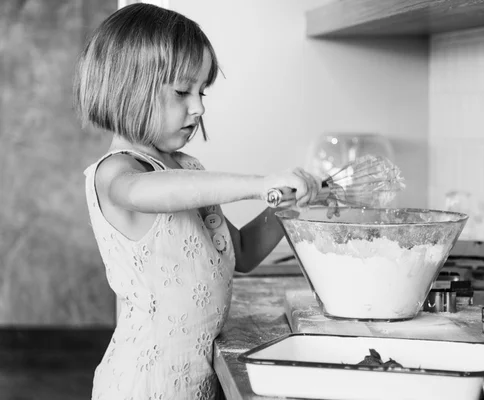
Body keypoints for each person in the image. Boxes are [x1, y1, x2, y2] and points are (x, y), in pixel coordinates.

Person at [73, 3, 321, 399]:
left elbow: (241, 252)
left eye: (202, 92)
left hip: (195, 382)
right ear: (128, 86)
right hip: (145, 385)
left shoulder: (187, 167)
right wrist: (260, 183)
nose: (199, 107)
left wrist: (285, 206)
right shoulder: (117, 173)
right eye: (182, 91)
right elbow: (154, 191)